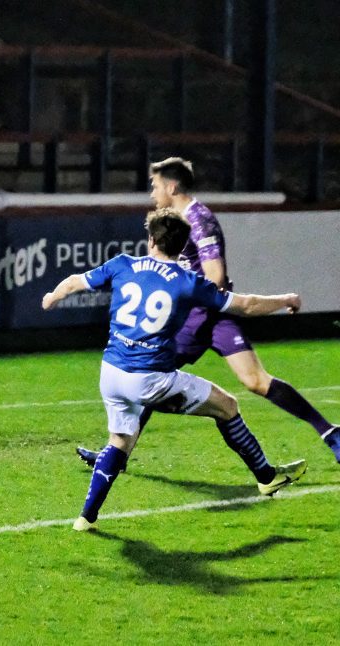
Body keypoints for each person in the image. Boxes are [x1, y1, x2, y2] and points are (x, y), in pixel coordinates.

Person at [42, 208, 306, 531]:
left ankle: (86, 517)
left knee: (120, 442)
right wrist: (286, 299)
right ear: (182, 247)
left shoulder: (123, 264)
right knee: (227, 406)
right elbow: (247, 306)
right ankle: (267, 477)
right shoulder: (188, 282)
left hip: (110, 373)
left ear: (151, 240)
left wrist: (51, 298)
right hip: (150, 380)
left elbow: (73, 282)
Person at [77, 157, 340, 469]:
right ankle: (117, 455)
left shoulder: (199, 220)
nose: (152, 193)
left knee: (255, 381)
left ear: (171, 186)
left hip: (209, 316)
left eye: (155, 186)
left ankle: (330, 433)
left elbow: (215, 277)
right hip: (193, 316)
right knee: (150, 375)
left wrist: (180, 296)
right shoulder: (173, 221)